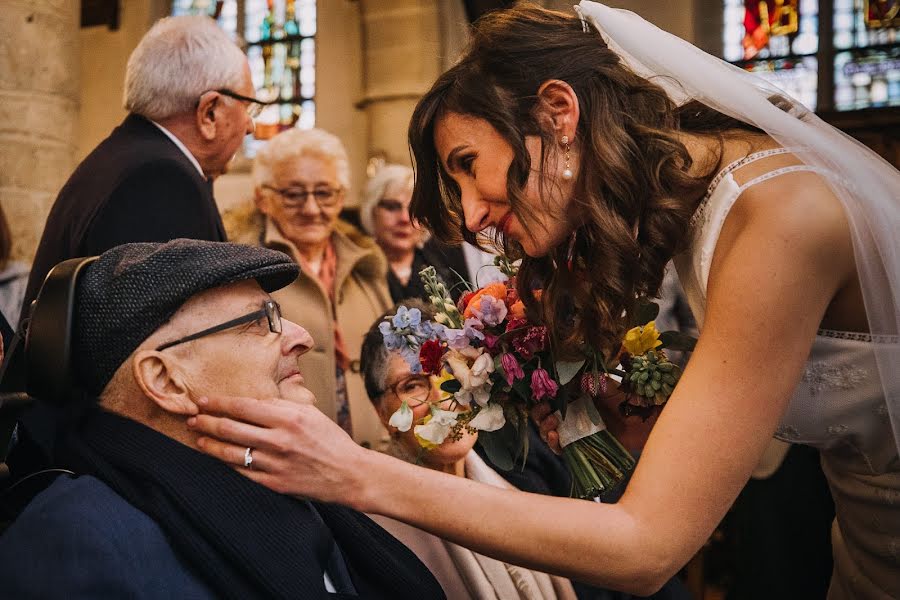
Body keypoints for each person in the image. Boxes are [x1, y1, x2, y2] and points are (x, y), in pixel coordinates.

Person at [186, 3, 898, 599]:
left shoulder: (783, 217)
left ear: (559, 112)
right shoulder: (702, 203)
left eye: (469, 165)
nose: (469, 217)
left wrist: (354, 473)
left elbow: (646, 548)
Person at [0, 239, 445, 599]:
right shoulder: (79, 539)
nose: (303, 338)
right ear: (165, 380)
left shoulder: (290, 480)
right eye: (260, 320)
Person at [23, 15, 262, 313]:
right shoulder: (160, 181)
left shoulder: (124, 157)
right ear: (209, 113)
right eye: (248, 106)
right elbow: (171, 339)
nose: (251, 125)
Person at [360, 299, 578, 600]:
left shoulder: (515, 490)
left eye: (452, 369)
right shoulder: (379, 534)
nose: (444, 398)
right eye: (413, 385)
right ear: (382, 413)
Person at [244, 127, 393, 450]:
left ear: (341, 197)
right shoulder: (245, 272)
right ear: (263, 198)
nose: (311, 209)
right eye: (294, 194)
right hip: (288, 461)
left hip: (377, 459)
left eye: (324, 193)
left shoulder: (367, 266)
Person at [360, 163, 470, 302]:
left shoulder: (447, 265)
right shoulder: (358, 269)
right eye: (392, 207)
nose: (405, 219)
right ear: (372, 211)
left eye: (415, 209)